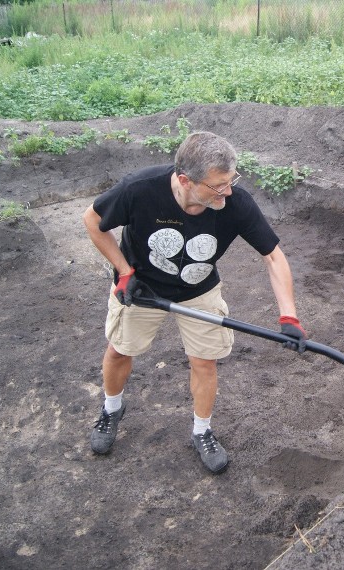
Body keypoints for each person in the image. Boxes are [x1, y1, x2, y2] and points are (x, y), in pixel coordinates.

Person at [83, 131, 307, 474]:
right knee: (119, 350)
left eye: (231, 180)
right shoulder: (140, 189)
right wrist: (125, 272)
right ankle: (112, 408)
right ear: (185, 180)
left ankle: (202, 430)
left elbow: (273, 257)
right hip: (141, 287)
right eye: (218, 185)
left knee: (205, 362)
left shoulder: (235, 203)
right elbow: (93, 221)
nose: (228, 191)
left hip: (199, 290)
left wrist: (289, 316)